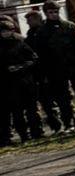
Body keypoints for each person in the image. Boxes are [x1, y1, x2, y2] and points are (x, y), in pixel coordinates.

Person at [32, 0, 75, 130]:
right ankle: (69, 123)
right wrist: (45, 73)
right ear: (46, 13)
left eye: (56, 12)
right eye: (50, 12)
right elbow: (41, 54)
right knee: (63, 98)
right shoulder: (42, 32)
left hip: (74, 66)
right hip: (56, 69)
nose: (54, 14)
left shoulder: (69, 26)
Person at [0, 13, 46, 146]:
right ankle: (23, 135)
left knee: (32, 109)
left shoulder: (20, 42)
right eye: (3, 31)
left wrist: (21, 67)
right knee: (17, 111)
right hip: (9, 84)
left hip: (25, 80)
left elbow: (33, 58)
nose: (5, 34)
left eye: (7, 31)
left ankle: (36, 132)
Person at [24, 7, 70, 133]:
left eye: (30, 20)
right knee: (47, 102)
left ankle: (69, 122)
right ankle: (56, 125)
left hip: (52, 70)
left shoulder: (46, 32)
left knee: (62, 98)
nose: (28, 23)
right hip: (39, 73)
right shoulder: (30, 36)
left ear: (37, 19)